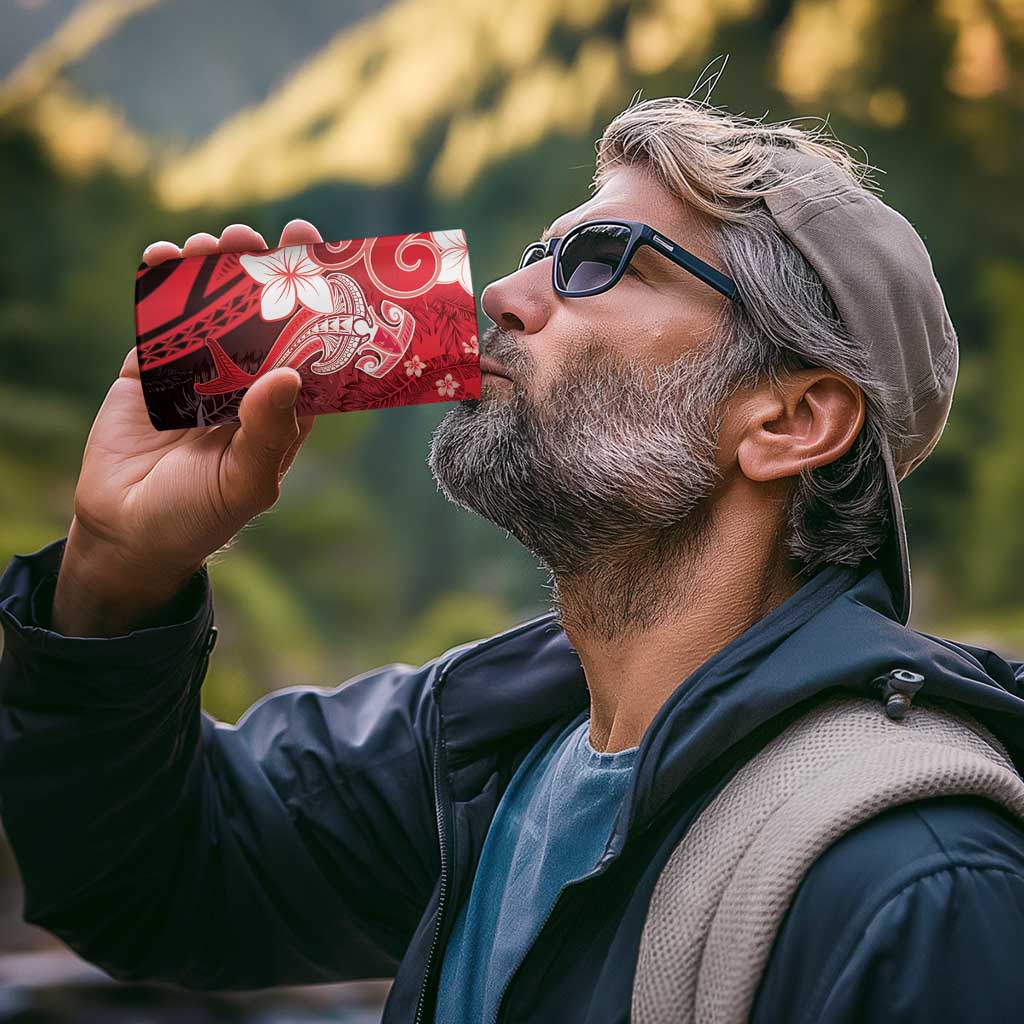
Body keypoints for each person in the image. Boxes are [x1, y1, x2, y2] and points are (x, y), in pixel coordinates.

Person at [2, 94, 1024, 1024]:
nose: (501, 292)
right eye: (540, 252)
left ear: (790, 419)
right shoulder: (480, 748)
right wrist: (115, 572)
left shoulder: (918, 884)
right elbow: (149, 880)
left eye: (599, 261)